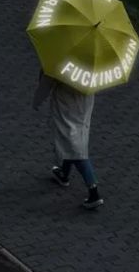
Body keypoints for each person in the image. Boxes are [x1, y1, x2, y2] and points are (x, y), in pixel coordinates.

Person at [33, 68, 104, 209]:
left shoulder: (60, 61)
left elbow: (46, 82)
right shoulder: (92, 63)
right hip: (84, 104)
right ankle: (63, 173)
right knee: (74, 140)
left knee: (73, 147)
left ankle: (93, 191)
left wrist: (37, 100)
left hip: (66, 107)